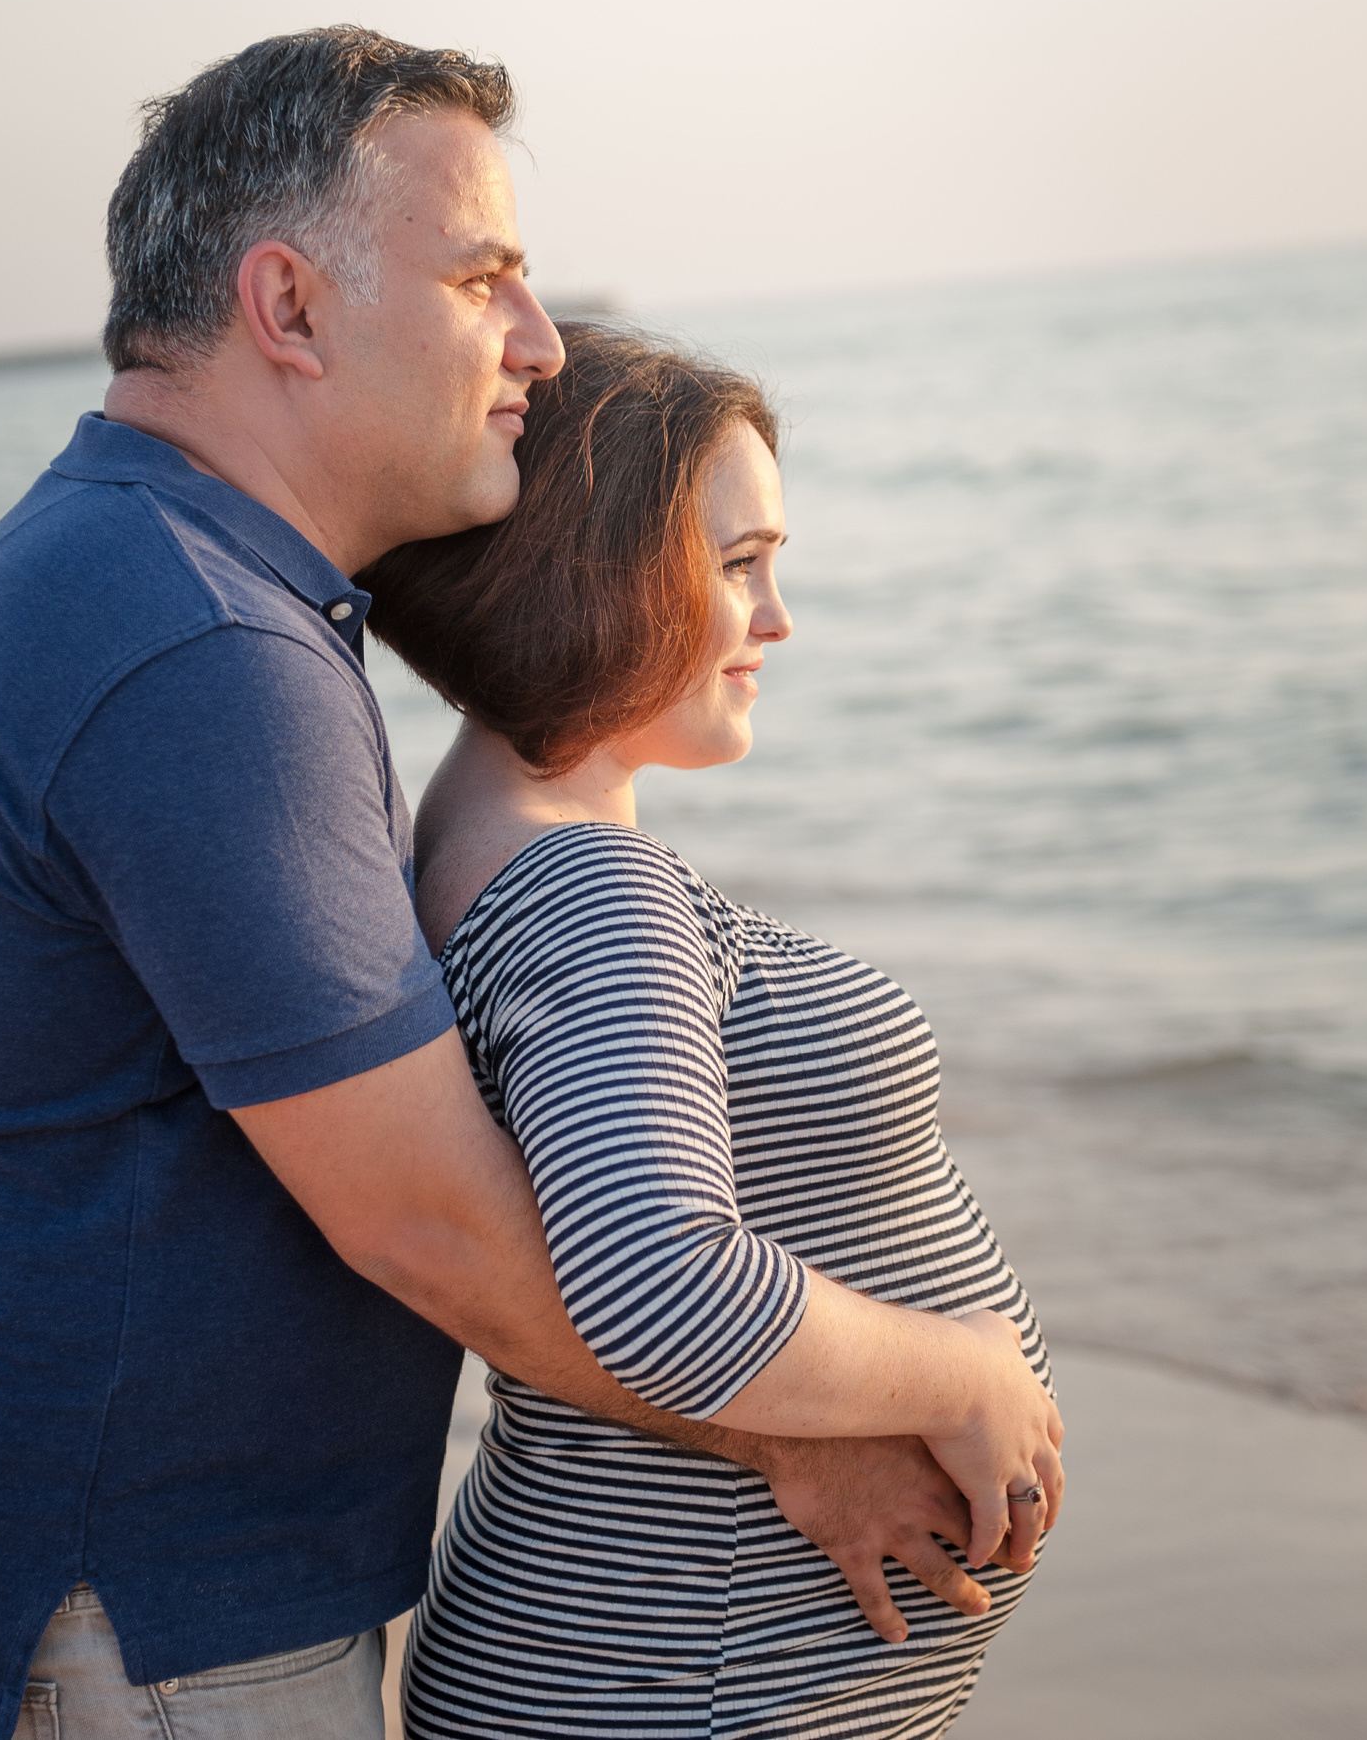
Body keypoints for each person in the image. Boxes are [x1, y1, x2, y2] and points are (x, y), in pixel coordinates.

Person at [0, 27, 1058, 1740]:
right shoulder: (195, 642)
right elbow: (436, 1226)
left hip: (96, 1577)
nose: (539, 339)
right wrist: (810, 1429)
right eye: (484, 279)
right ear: (289, 305)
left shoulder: (164, 580)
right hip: (126, 1613)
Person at [365, 324, 1056, 1737]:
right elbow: (659, 1279)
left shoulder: (510, 851)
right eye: (739, 565)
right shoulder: (587, 892)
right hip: (678, 1676)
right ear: (592, 570)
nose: (778, 618)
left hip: (672, 1662)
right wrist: (964, 1372)